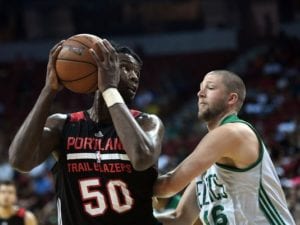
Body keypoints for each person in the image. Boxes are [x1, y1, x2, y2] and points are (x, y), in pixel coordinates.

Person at [8, 38, 164, 225]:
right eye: (125, 68)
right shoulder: (63, 125)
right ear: (99, 71)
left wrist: (109, 89)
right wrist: (48, 91)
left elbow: (141, 158)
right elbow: (20, 161)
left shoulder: (147, 123)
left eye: (137, 72)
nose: (134, 77)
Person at [153, 70, 296, 225]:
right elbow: (179, 220)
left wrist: (129, 179)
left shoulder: (233, 132)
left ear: (231, 98)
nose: (200, 93)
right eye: (201, 88)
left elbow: (169, 185)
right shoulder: (207, 166)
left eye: (210, 87)